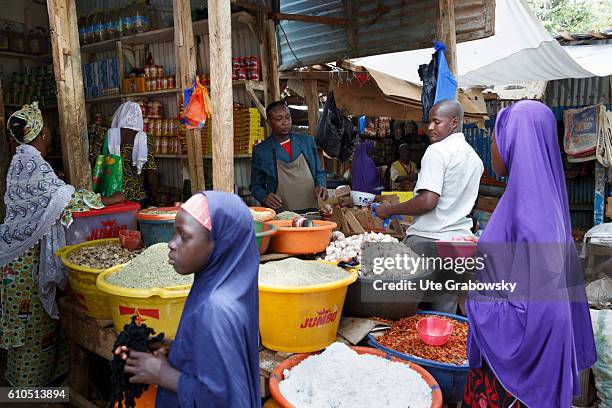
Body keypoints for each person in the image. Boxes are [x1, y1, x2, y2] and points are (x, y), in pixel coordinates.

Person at [463, 101, 596, 407]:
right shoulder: (541, 200)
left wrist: (473, 301)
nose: (493, 145)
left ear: (514, 141)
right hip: (514, 369)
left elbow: (546, 312)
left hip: (513, 381)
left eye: (497, 136)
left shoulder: (529, 212)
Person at [0, 102, 124, 387]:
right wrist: (106, 201)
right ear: (41, 134)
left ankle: (41, 383)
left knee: (39, 326)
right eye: (48, 128)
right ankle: (28, 391)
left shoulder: (24, 159)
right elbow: (65, 200)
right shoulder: (31, 162)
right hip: (21, 263)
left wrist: (59, 185)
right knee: (31, 328)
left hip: (18, 258)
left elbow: (48, 195)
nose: (52, 132)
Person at [115, 191, 260, 407]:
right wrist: (178, 349)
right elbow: (217, 362)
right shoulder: (220, 284)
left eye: (184, 236)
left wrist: (162, 374)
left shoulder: (216, 309)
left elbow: (223, 400)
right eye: (175, 233)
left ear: (221, 243)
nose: (171, 244)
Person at [374, 100, 484, 313]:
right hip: (458, 243)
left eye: (436, 122)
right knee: (445, 311)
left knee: (407, 311)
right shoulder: (474, 158)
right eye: (429, 122)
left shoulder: (437, 151)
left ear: (454, 122)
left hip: (428, 242)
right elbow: (470, 204)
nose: (429, 128)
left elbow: (428, 201)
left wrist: (389, 209)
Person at [250, 101, 327, 212]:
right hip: (280, 213)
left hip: (312, 210)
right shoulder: (261, 151)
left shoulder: (307, 142)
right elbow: (255, 186)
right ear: (269, 122)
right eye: (279, 119)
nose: (285, 122)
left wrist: (321, 185)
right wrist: (264, 196)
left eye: (287, 117)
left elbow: (319, 172)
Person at [90, 102, 159, 207]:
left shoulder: (103, 134)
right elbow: (151, 173)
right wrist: (155, 198)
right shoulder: (145, 139)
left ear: (118, 115)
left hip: (106, 196)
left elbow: (93, 162)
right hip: (136, 198)